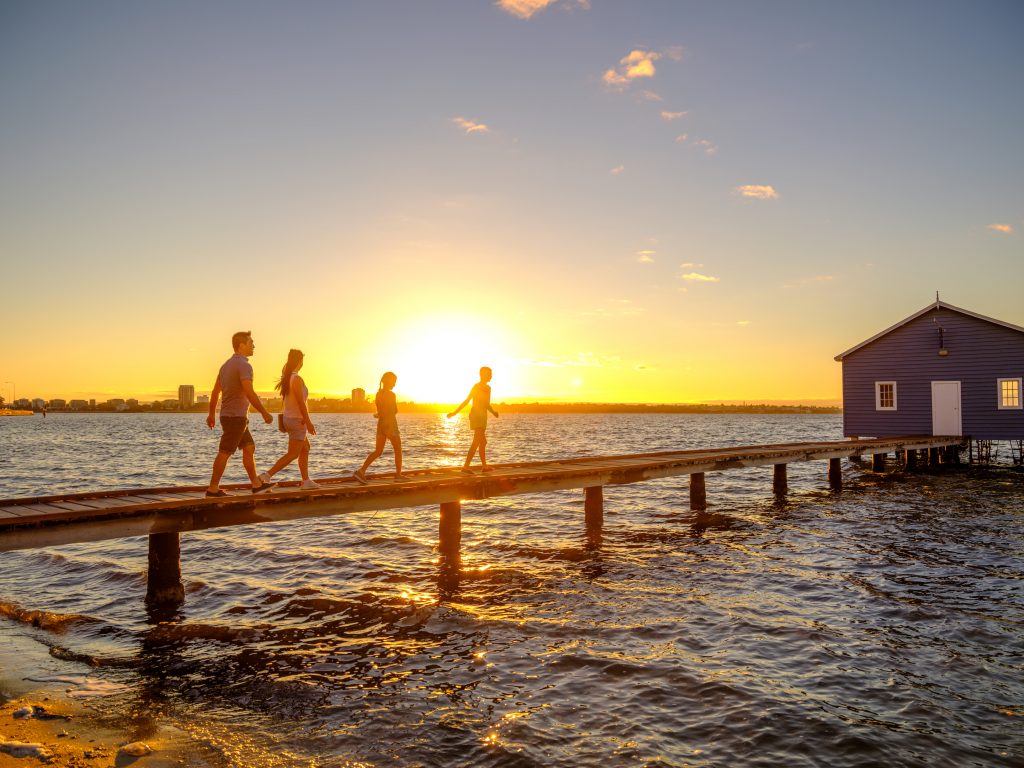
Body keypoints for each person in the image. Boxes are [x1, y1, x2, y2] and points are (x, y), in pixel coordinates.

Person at [205, 331, 276, 497]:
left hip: (230, 416)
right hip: (235, 418)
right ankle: (212, 489)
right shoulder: (244, 366)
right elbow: (249, 392)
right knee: (225, 451)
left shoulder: (225, 366)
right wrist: (264, 412)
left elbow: (215, 392)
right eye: (251, 342)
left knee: (249, 447)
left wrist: (212, 414)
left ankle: (256, 484)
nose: (254, 346)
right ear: (241, 345)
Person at [259, 349, 320, 490]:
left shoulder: (288, 377)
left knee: (305, 448)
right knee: (293, 454)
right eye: (302, 360)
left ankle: (306, 481)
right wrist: (308, 421)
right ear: (299, 361)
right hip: (297, 420)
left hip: (290, 418)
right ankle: (266, 475)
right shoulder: (296, 379)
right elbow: (300, 402)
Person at [447, 366, 499, 474]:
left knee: (482, 442)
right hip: (476, 416)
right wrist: (454, 413)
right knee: (477, 442)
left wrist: (493, 412)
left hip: (483, 417)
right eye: (489, 374)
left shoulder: (488, 388)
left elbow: (486, 404)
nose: (491, 376)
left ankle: (484, 466)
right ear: (482, 374)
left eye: (491, 374)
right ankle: (466, 467)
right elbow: (467, 400)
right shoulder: (476, 386)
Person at [353, 371, 402, 483]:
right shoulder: (391, 395)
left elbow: (380, 412)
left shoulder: (378, 394)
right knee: (398, 449)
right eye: (394, 382)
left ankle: (361, 471)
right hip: (390, 425)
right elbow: (394, 411)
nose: (394, 384)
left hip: (381, 425)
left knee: (378, 451)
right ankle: (398, 475)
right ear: (389, 382)